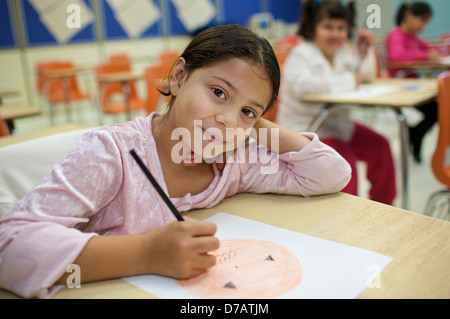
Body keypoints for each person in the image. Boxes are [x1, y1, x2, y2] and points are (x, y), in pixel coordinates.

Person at [0, 24, 351, 298]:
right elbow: (9, 247)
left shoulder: (234, 162)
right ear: (180, 77)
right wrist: (146, 254)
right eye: (218, 93)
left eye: (247, 110)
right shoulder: (114, 153)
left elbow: (329, 174)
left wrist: (253, 125)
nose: (227, 120)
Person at [277, 0, 397, 205]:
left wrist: (365, 50)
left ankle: (385, 206)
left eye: (341, 28)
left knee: (380, 146)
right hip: (307, 129)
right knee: (344, 161)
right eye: (328, 27)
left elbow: (365, 74)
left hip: (337, 125)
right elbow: (304, 87)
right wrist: (350, 80)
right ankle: (345, 222)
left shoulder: (342, 54)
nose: (335, 33)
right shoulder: (301, 54)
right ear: (313, 28)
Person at [386, 2, 442, 163]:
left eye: (426, 23)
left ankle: (415, 134)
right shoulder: (395, 35)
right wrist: (425, 55)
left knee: (439, 109)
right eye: (422, 21)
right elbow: (397, 57)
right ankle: (415, 136)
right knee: (437, 110)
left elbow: (433, 51)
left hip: (414, 85)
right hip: (399, 87)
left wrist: (430, 53)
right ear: (409, 15)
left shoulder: (414, 38)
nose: (423, 26)